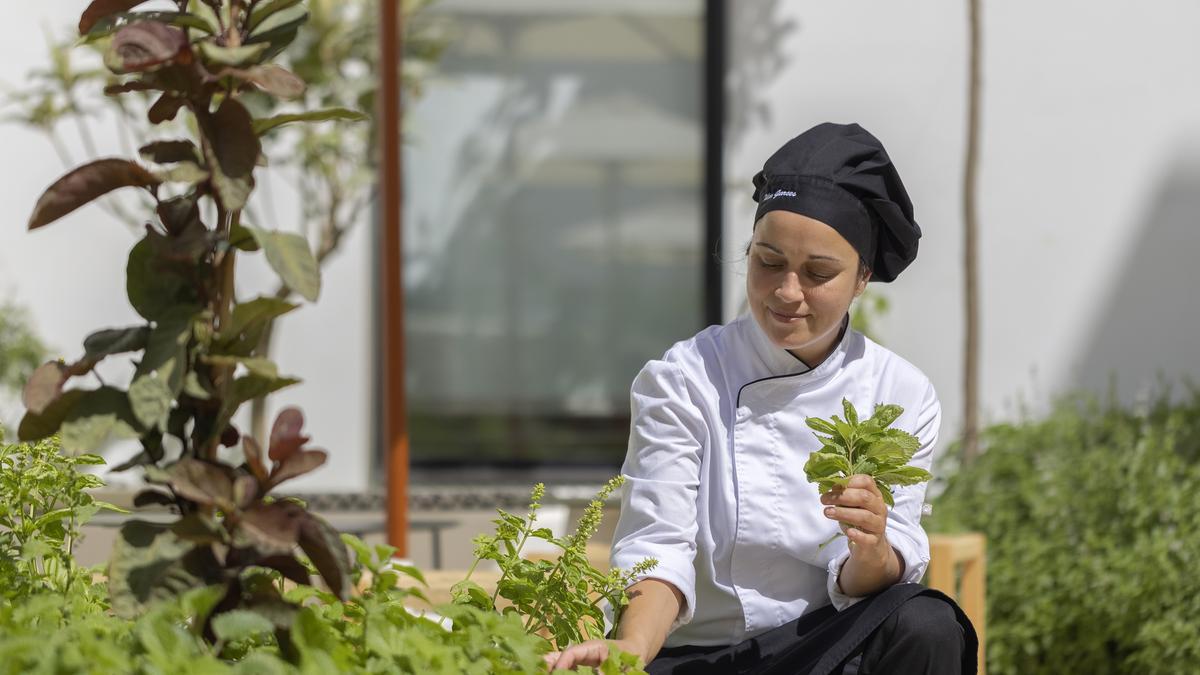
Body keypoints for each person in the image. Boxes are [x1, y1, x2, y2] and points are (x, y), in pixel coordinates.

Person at [546, 122, 978, 674]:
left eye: (819, 273)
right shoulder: (685, 378)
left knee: (925, 620)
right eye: (768, 261)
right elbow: (659, 543)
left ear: (862, 277)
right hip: (697, 657)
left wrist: (872, 549)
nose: (786, 292)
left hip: (825, 647)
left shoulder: (898, 392)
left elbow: (873, 578)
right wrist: (630, 649)